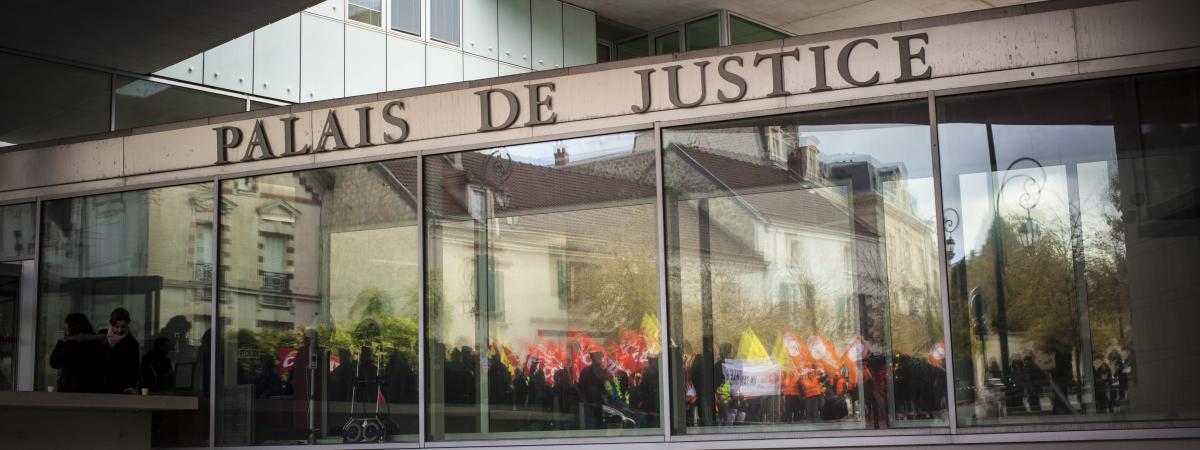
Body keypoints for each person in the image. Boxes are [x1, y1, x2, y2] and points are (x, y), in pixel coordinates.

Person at [49, 313, 105, 393]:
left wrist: (62, 343)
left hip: (70, 390)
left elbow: (54, 363)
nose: (65, 331)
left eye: (67, 328)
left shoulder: (67, 344)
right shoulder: (98, 343)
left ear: (72, 328)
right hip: (93, 390)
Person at [100, 307, 141, 394]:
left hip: (119, 388)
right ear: (111, 325)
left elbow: (134, 369)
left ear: (127, 325)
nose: (119, 330)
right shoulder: (102, 335)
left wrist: (130, 387)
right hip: (99, 386)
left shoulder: (132, 344)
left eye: (123, 327)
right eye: (116, 326)